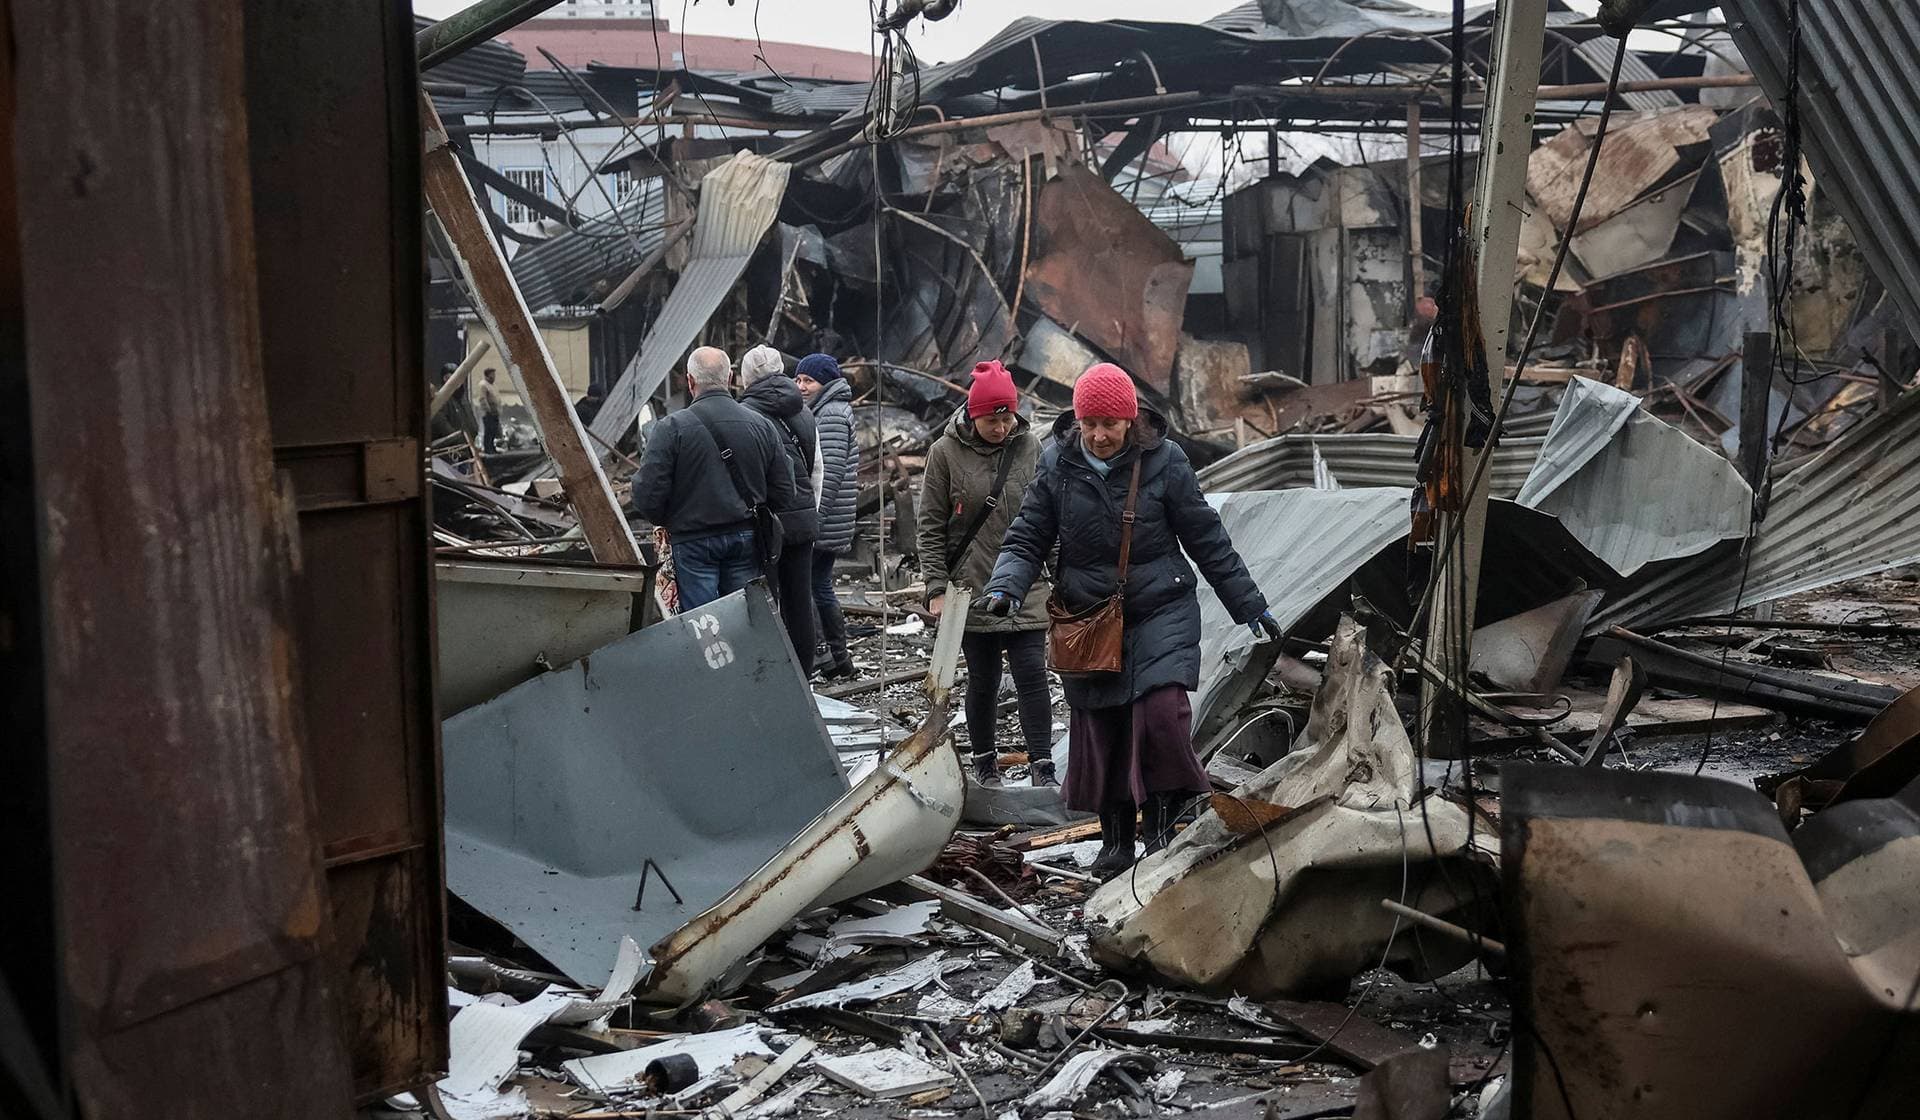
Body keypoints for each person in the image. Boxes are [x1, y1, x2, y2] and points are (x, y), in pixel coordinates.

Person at [983, 362, 1282, 878]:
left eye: (1109, 424)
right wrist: (1006, 586)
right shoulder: (1056, 464)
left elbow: (1206, 538)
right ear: (1078, 420)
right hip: (1090, 617)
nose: (1098, 435)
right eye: (1089, 423)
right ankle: (1117, 839)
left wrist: (1248, 602)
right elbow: (1029, 533)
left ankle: (1160, 826)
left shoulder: (1166, 461)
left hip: (1159, 608)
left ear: (1129, 421)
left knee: (1162, 715)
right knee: (1104, 729)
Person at [918, 361, 1056, 787]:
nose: (1000, 427)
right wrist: (936, 589)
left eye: (1006, 417)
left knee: (1032, 673)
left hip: (1026, 583)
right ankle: (984, 762)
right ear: (972, 415)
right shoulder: (944, 454)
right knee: (984, 679)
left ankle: (1042, 764)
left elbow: (1049, 512)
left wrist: (1061, 574)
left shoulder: (1030, 446)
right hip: (971, 586)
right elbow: (930, 525)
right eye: (991, 419)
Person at [631, 346, 799, 611]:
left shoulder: (670, 429)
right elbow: (785, 490)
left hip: (692, 541)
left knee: (705, 625)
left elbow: (646, 495)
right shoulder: (762, 425)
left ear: (690, 381)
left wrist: (672, 519)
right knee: (745, 618)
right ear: (730, 378)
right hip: (746, 535)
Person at [739, 344, 822, 665]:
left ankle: (775, 674)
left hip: (765, 524)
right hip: (803, 521)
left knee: (766, 602)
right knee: (800, 600)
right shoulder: (804, 413)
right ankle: (805, 674)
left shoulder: (744, 416)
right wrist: (808, 513)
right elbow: (817, 471)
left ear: (745, 378)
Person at [796, 352, 857, 678]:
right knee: (820, 585)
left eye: (809, 380)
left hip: (825, 520)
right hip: (831, 519)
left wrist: (812, 521)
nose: (802, 386)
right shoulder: (825, 409)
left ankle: (825, 656)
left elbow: (828, 475)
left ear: (826, 382)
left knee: (808, 586)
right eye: (799, 379)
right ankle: (838, 660)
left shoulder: (831, 415)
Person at [477, 367, 503, 453]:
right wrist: (488, 410)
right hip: (488, 413)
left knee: (493, 431)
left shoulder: (493, 385)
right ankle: (488, 448)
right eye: (492, 375)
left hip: (495, 412)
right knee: (489, 431)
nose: (494, 376)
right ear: (488, 375)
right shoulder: (483, 385)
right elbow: (482, 399)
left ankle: (492, 447)